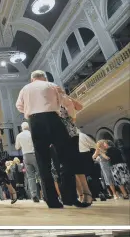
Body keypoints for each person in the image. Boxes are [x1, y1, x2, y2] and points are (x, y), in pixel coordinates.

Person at [16, 70, 88, 208]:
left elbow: (19, 106)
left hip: (35, 121)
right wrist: (71, 117)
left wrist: (30, 111)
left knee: (43, 162)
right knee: (66, 158)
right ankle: (69, 198)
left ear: (32, 79)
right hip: (53, 119)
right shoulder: (51, 85)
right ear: (44, 77)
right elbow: (65, 102)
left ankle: (52, 200)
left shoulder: (25, 88)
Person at [15, 121, 40, 201]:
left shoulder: (19, 135)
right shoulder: (31, 133)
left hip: (25, 156)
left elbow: (17, 147)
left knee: (30, 177)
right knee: (40, 175)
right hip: (34, 154)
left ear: (21, 128)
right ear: (28, 127)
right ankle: (45, 194)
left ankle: (34, 195)